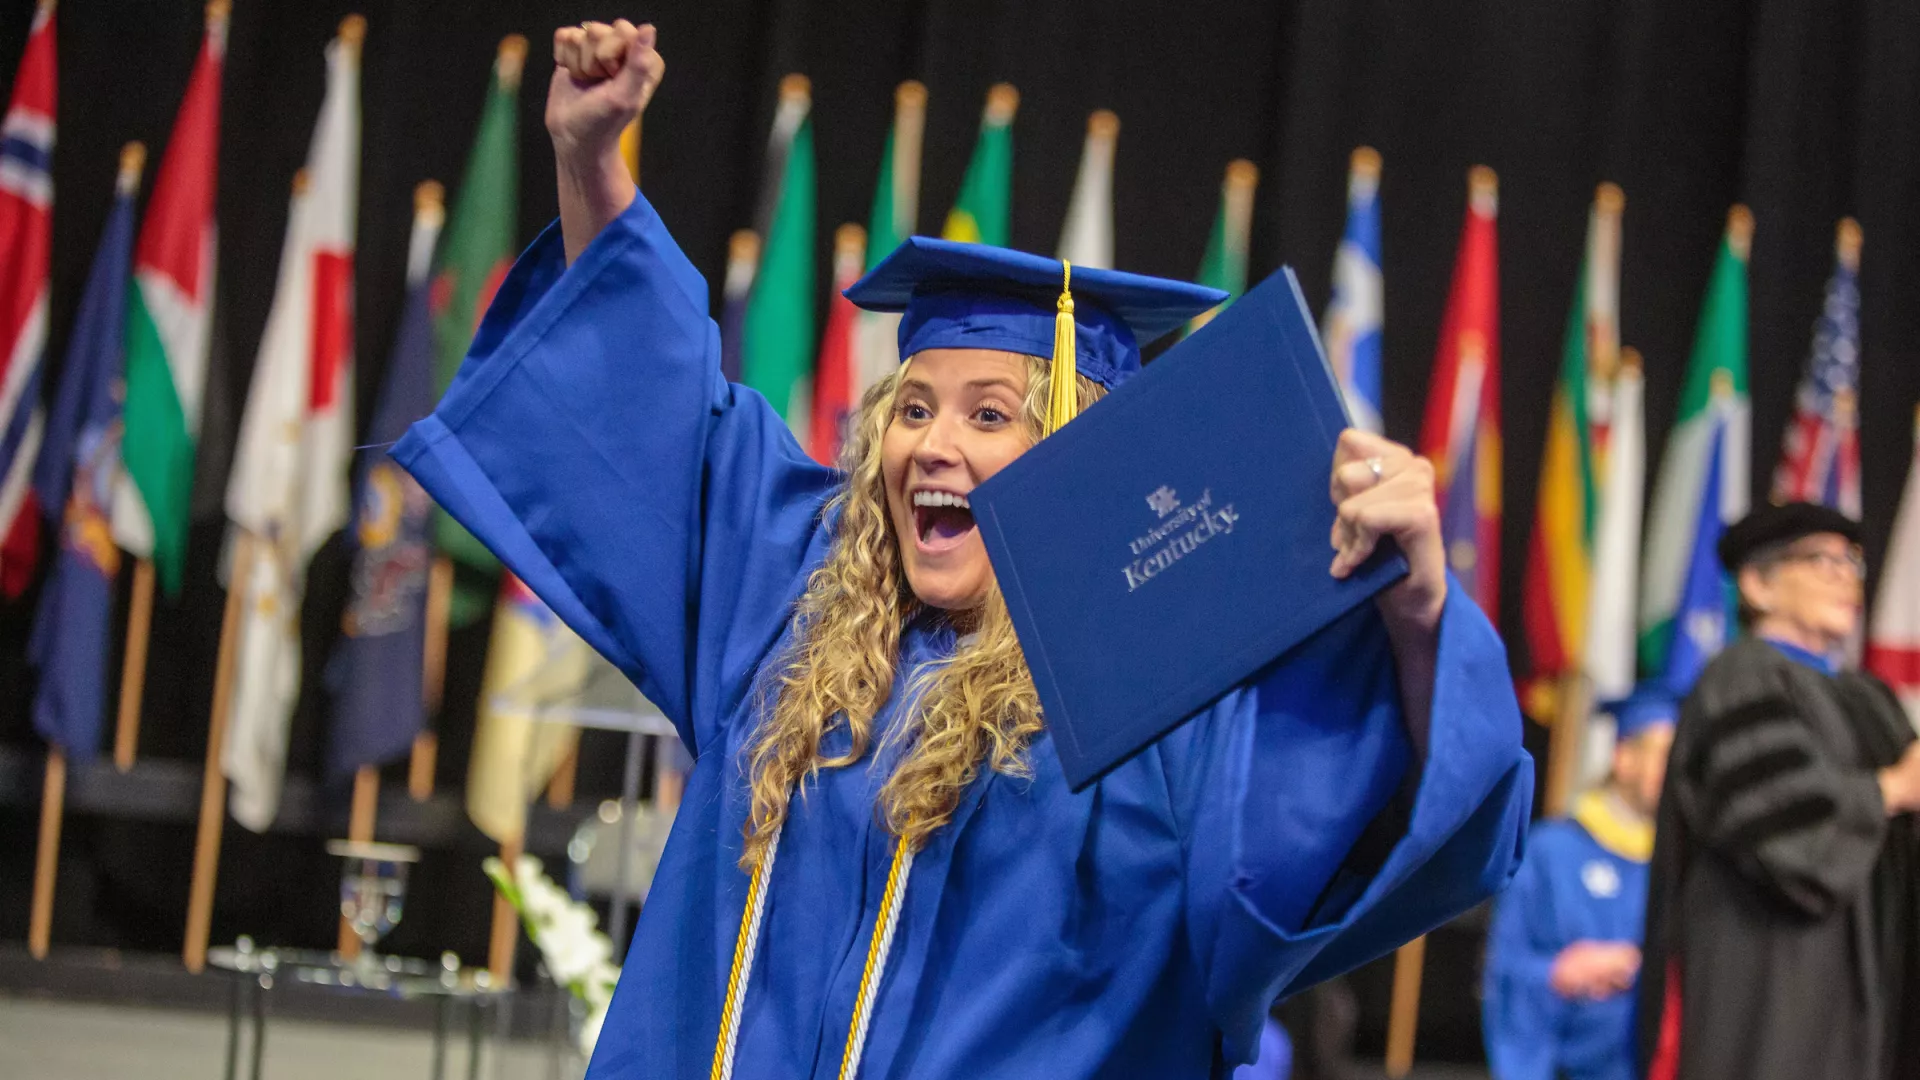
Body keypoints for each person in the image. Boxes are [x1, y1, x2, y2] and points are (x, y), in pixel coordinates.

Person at [393, 19, 1534, 1078]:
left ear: (1085, 464)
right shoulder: (791, 605)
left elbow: (1359, 808)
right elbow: (652, 407)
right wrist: (592, 163)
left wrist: (1420, 612)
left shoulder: (1161, 701)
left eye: (993, 415)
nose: (935, 444)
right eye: (916, 405)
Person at [1635, 501, 1920, 1080]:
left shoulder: (1870, 699)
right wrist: (1889, 789)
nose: (1845, 576)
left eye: (1851, 562)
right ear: (1758, 584)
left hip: (1868, 992)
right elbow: (1786, 831)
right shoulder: (1741, 679)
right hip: (1772, 984)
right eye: (1821, 559)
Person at [1483, 688, 1677, 1080]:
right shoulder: (1551, 853)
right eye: (1662, 754)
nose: (1674, 771)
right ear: (1623, 757)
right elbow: (1505, 971)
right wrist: (1561, 973)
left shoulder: (1683, 866)